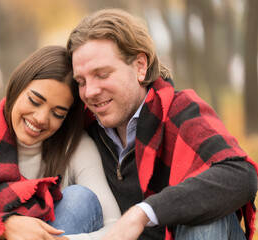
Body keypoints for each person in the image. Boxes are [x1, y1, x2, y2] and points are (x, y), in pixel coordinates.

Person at [66, 8, 258, 240]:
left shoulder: (178, 111)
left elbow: (240, 175)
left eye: (103, 74)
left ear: (139, 66)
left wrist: (143, 212)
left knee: (205, 213)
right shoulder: (86, 130)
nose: (91, 91)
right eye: (81, 81)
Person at [0, 45, 121, 240]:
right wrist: (6, 226)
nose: (40, 118)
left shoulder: (76, 147)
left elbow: (115, 228)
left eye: (57, 113)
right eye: (35, 101)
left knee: (80, 199)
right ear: (18, 87)